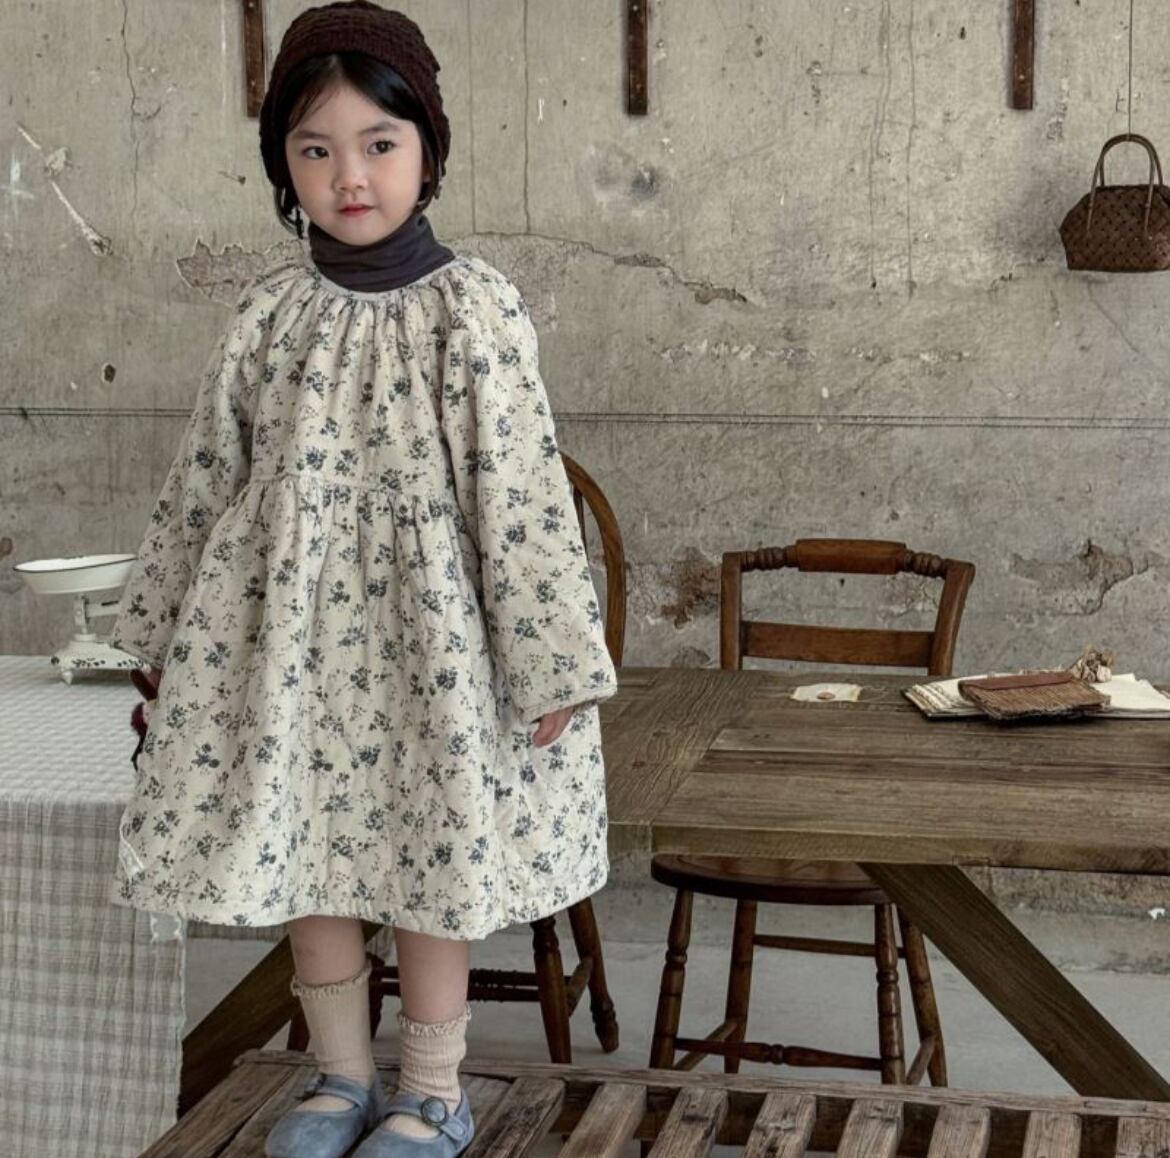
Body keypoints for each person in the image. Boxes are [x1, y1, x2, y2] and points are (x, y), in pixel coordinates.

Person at [110, 4, 617, 1155]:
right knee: (312, 860)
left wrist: (550, 660)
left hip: (436, 653)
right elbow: (207, 472)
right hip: (288, 649)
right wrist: (162, 633)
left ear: (427, 151)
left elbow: (521, 491)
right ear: (283, 168)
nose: (350, 175)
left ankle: (432, 1092)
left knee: (430, 858)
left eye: (379, 144)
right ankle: (338, 1079)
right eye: (316, 149)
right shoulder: (268, 313)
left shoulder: (472, 310)